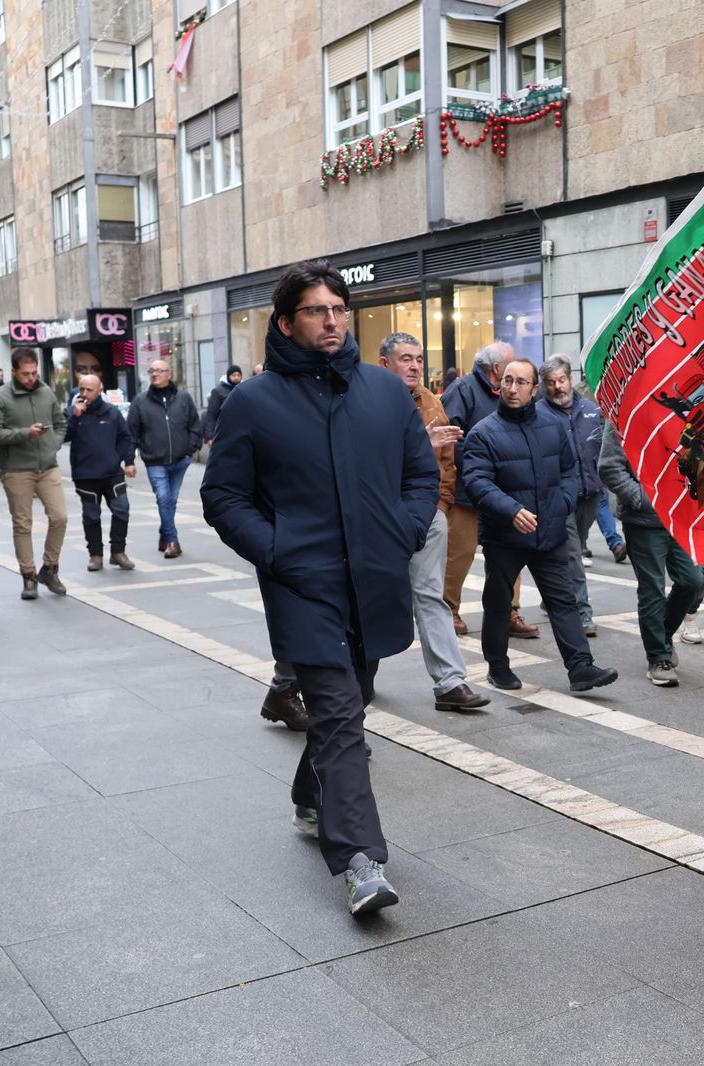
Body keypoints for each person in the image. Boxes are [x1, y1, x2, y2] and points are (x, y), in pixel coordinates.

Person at [202, 259, 440, 915]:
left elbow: (420, 477)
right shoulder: (254, 402)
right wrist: (277, 551)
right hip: (303, 585)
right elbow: (223, 497)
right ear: (286, 322)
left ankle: (310, 797)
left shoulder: (384, 392)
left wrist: (406, 530)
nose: (332, 319)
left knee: (351, 701)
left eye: (339, 307)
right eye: (316, 309)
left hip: (374, 575)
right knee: (339, 715)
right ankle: (362, 861)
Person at [462, 357, 618, 694]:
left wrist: (561, 504)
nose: (512, 388)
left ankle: (581, 668)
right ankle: (498, 667)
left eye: (521, 382)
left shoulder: (551, 426)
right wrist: (511, 510)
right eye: (507, 381)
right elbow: (477, 481)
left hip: (549, 532)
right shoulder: (483, 433)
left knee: (563, 600)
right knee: (499, 601)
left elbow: (568, 473)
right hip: (505, 535)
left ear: (535, 389)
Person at [378, 332, 490, 712]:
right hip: (378, 516)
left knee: (431, 596)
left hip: (426, 514)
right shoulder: (366, 401)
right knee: (368, 597)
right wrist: (418, 446)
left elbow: (446, 464)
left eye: (419, 359)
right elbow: (363, 463)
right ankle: (354, 677)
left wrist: (439, 506)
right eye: (405, 358)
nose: (414, 366)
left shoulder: (431, 402)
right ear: (385, 364)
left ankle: (450, 683)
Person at [441, 342, 537, 639]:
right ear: (497, 369)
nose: (513, 380)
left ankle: (510, 611)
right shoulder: (463, 390)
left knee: (513, 552)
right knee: (461, 552)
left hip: (506, 492)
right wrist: (480, 462)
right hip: (468, 490)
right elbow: (450, 436)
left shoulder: (506, 395)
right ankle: (449, 610)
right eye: (509, 369)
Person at [599, 422, 703, 686]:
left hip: (679, 516)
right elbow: (608, 466)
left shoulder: (682, 411)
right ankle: (658, 657)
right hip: (644, 520)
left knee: (692, 580)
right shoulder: (625, 413)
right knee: (652, 588)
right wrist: (642, 499)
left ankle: (663, 637)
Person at [0, 349, 68, 599]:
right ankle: (28, 577)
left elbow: (60, 423)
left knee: (60, 517)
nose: (31, 378)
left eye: (34, 373)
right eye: (25, 374)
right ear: (14, 372)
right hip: (17, 469)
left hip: (48, 467)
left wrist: (53, 443)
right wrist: (24, 433)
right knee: (22, 524)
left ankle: (50, 569)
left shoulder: (46, 392)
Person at [541, 354, 609, 635]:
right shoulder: (541, 415)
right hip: (559, 497)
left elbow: (603, 449)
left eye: (562, 380)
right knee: (573, 555)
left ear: (571, 379)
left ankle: (551, 597)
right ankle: (583, 612)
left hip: (590, 493)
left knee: (573, 548)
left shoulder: (592, 411)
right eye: (551, 382)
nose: (558, 387)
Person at [128, 359, 201, 558]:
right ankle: (172, 541)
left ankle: (164, 535)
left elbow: (195, 425)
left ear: (169, 374)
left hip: (180, 460)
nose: (155, 374)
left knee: (171, 501)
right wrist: (129, 461)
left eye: (160, 370)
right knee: (163, 498)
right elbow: (131, 433)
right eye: (152, 370)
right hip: (155, 461)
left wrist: (191, 448)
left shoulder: (183, 398)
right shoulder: (140, 401)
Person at [65, 373, 137, 572]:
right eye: (82, 389)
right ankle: (95, 555)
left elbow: (126, 437)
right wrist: (74, 415)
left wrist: (123, 459)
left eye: (89, 389)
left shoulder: (112, 412)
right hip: (86, 475)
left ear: (99, 390)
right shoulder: (72, 412)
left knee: (122, 508)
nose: (85, 394)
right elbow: (62, 436)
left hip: (112, 472)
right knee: (91, 515)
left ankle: (118, 552)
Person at [202, 364, 243, 446]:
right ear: (228, 376)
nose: (236, 377)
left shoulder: (243, 389)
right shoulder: (217, 391)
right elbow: (211, 415)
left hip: (240, 433)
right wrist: (210, 437)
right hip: (223, 433)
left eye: (238, 375)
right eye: (233, 375)